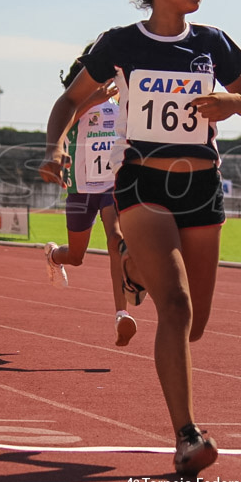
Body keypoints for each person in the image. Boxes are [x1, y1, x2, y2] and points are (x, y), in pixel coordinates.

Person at [38, 0, 241, 477]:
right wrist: (53, 149)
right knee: (177, 306)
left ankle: (133, 268)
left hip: (203, 187)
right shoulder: (122, 44)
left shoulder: (213, 42)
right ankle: (187, 435)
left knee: (195, 326)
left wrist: (233, 102)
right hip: (143, 183)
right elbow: (70, 100)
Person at [44, 56, 142, 347]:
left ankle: (121, 314)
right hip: (80, 191)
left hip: (110, 188)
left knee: (116, 240)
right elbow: (63, 127)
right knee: (76, 256)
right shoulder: (72, 109)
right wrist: (92, 99)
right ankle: (52, 256)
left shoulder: (116, 110)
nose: (106, 84)